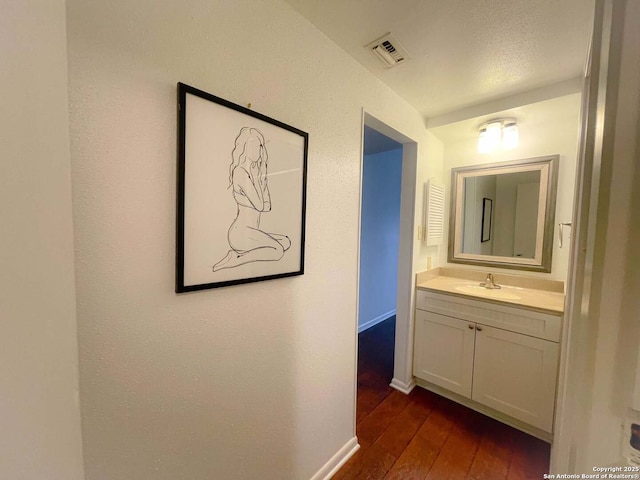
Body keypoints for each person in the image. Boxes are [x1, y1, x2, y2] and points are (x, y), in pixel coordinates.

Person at [213, 127, 290, 272]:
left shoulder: (255, 174)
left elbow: (267, 207)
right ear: (244, 147)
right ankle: (235, 259)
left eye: (260, 146)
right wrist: (261, 184)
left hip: (252, 232)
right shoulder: (240, 172)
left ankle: (238, 255)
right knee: (278, 251)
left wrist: (261, 182)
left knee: (285, 242)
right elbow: (261, 205)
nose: (258, 150)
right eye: (253, 145)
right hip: (240, 233)